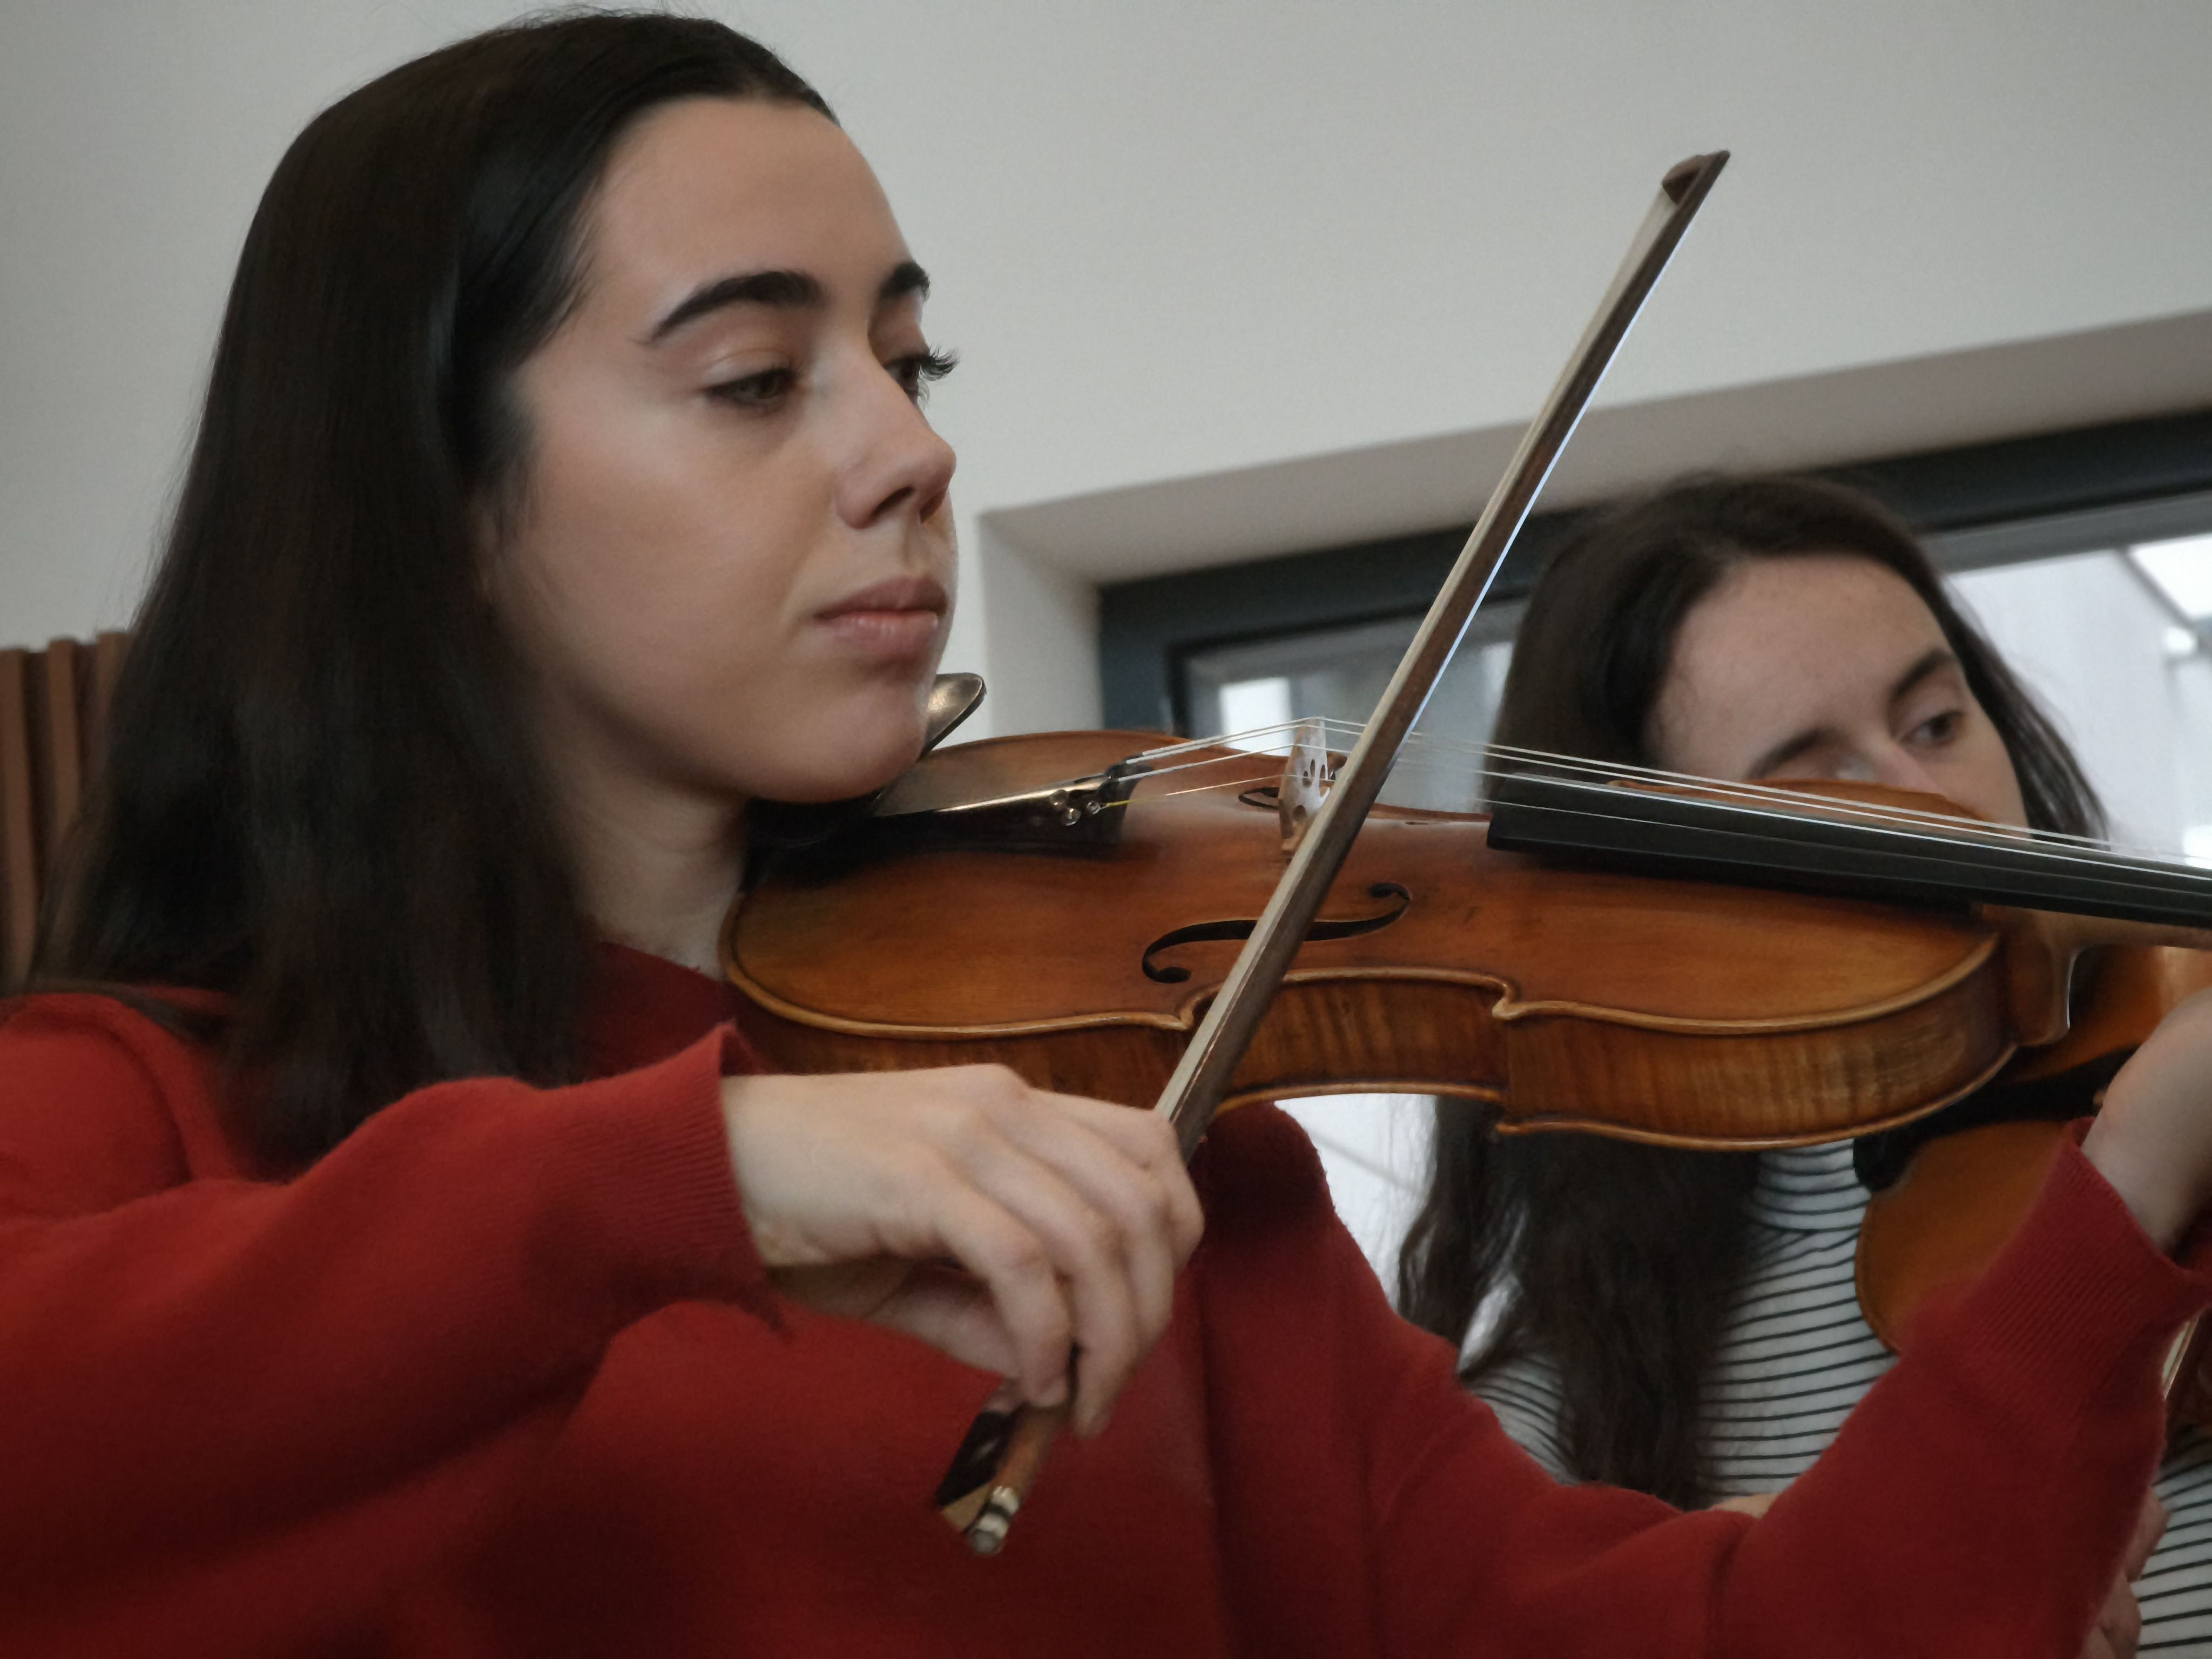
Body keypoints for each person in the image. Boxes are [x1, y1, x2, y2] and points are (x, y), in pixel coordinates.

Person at [2, 14, 2208, 1655]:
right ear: (433, 502)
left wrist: (2124, 1189)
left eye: (912, 362)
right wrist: (684, 1183)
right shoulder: (141, 1112)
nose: (905, 454)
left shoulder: (1147, 1151)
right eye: (761, 378)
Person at [1398, 474, 2212, 1654]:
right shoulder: (1563, 1422)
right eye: (1814, 780)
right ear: (1645, 887)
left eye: (1936, 722)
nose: (1931, 801)